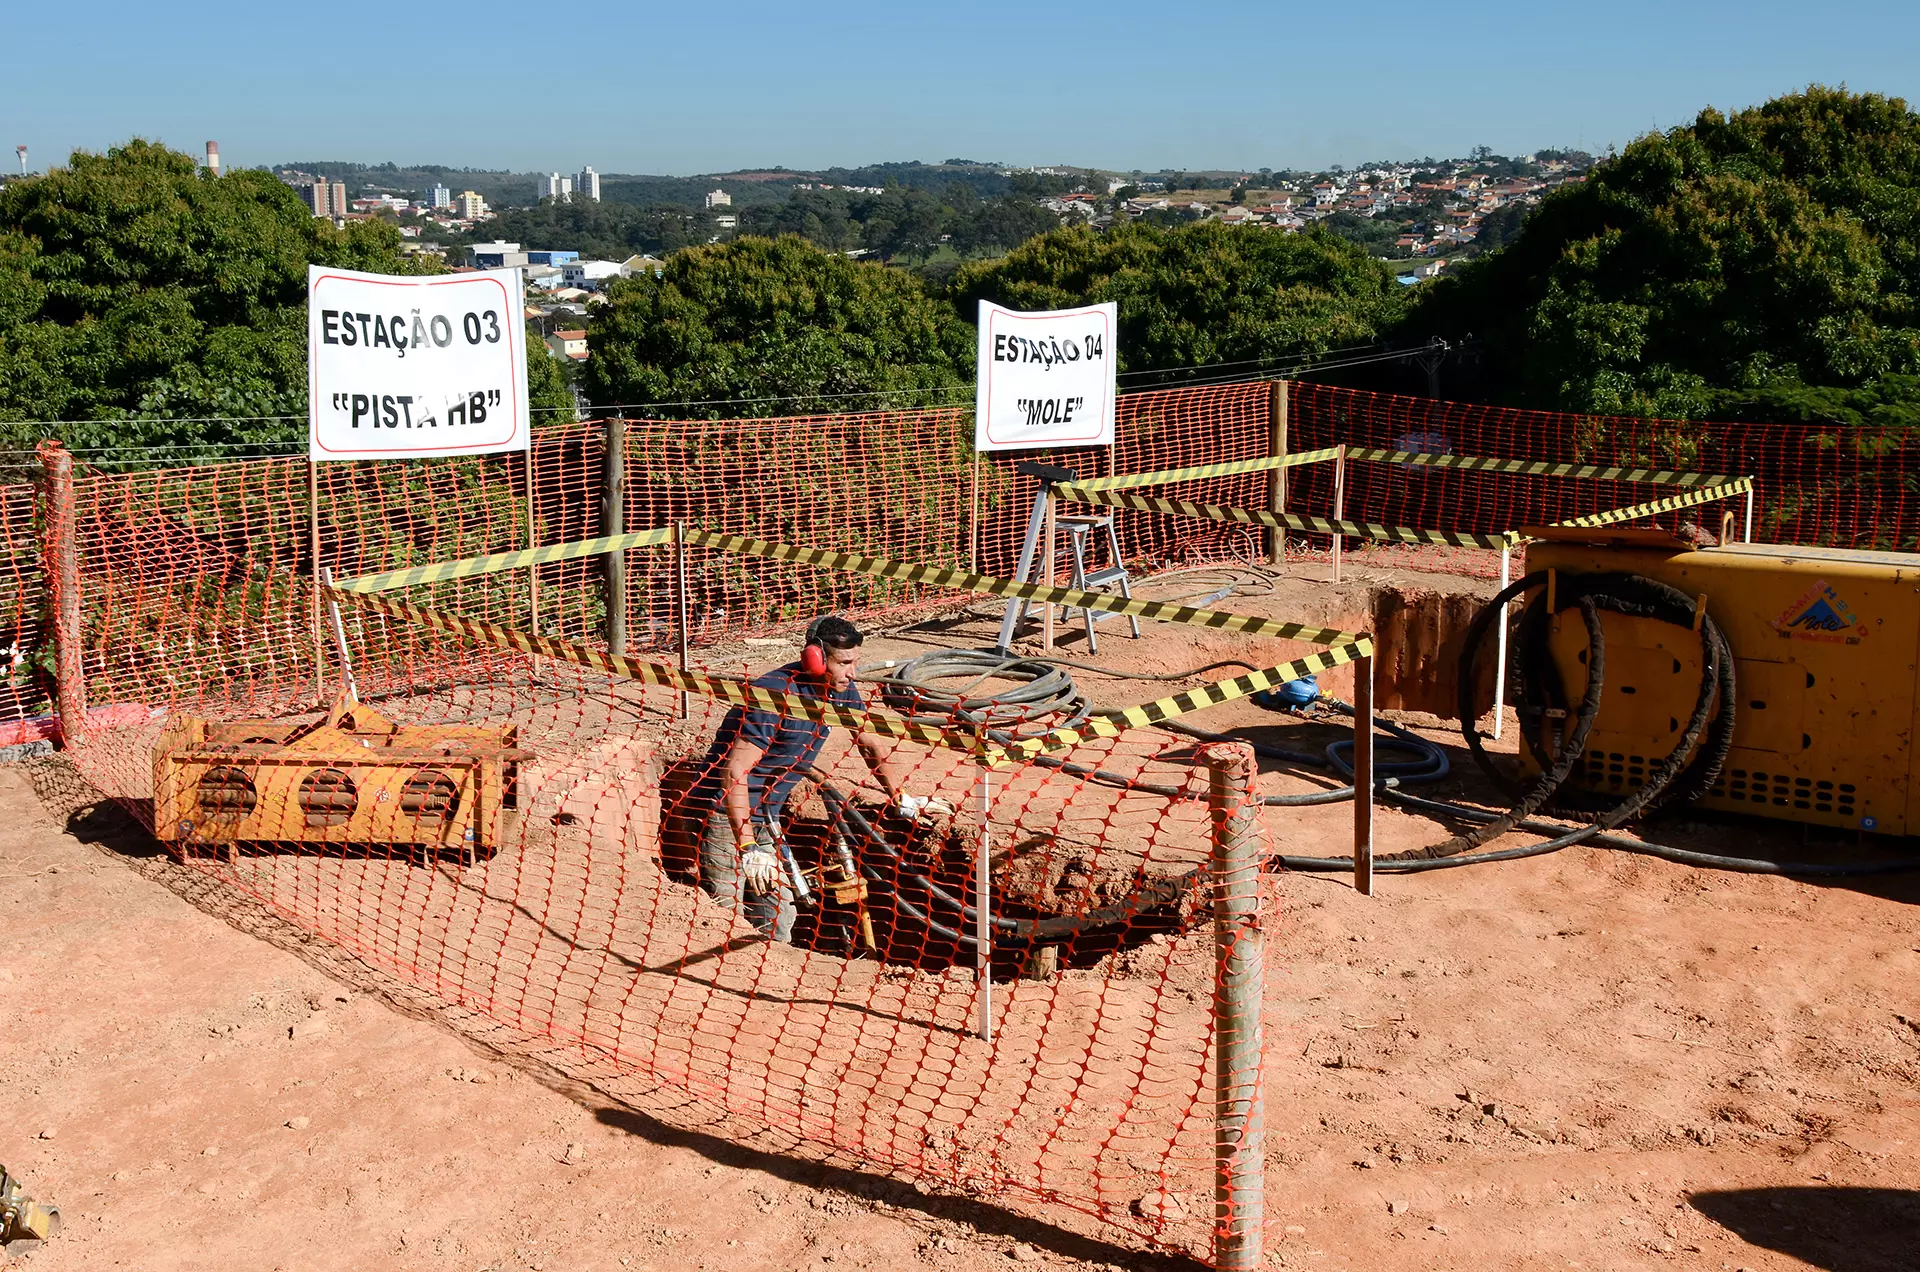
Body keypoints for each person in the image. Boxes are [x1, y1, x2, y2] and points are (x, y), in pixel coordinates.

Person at [683, 615, 945, 942]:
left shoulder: (841, 690)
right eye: (844, 663)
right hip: (722, 814)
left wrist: (901, 796)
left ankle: (760, 970)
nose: (852, 672)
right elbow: (735, 771)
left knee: (779, 913)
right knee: (724, 908)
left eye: (855, 662)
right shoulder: (775, 695)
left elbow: (869, 743)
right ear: (816, 659)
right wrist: (748, 846)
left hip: (765, 814)